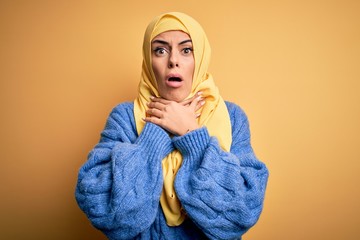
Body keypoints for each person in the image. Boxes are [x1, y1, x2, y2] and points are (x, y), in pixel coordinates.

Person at [75, 12, 269, 240]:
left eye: (186, 50)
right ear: (149, 62)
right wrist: (155, 135)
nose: (173, 60)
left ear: (201, 58)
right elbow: (106, 213)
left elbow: (242, 214)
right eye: (160, 50)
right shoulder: (125, 117)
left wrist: (192, 136)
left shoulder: (232, 117)